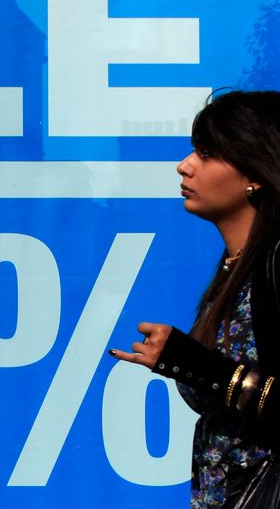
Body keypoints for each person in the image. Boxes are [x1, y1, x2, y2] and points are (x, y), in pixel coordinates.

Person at [110, 90, 280, 508]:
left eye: (206, 153)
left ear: (254, 171)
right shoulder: (234, 270)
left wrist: (196, 364)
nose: (184, 166)